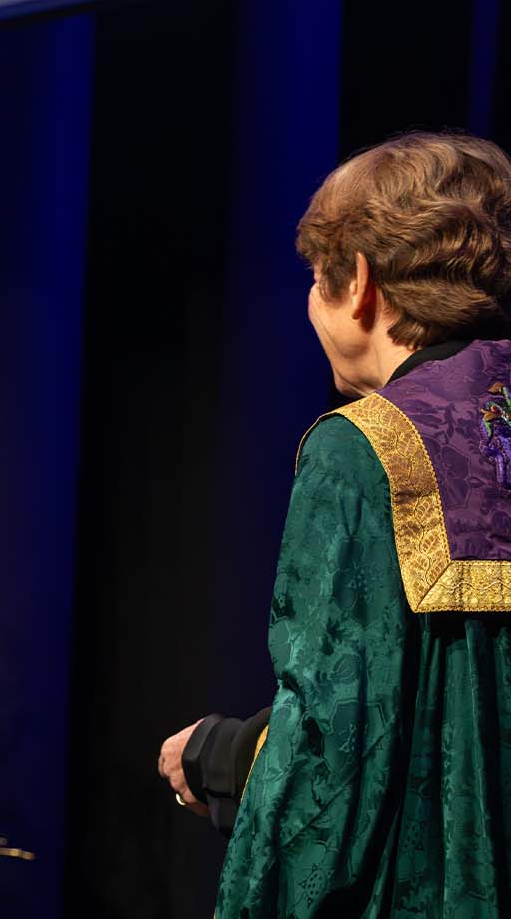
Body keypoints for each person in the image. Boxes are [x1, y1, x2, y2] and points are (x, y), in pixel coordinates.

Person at [157, 133, 511, 916]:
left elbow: (339, 745)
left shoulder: (366, 451)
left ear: (360, 284)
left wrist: (224, 760)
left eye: (317, 280)